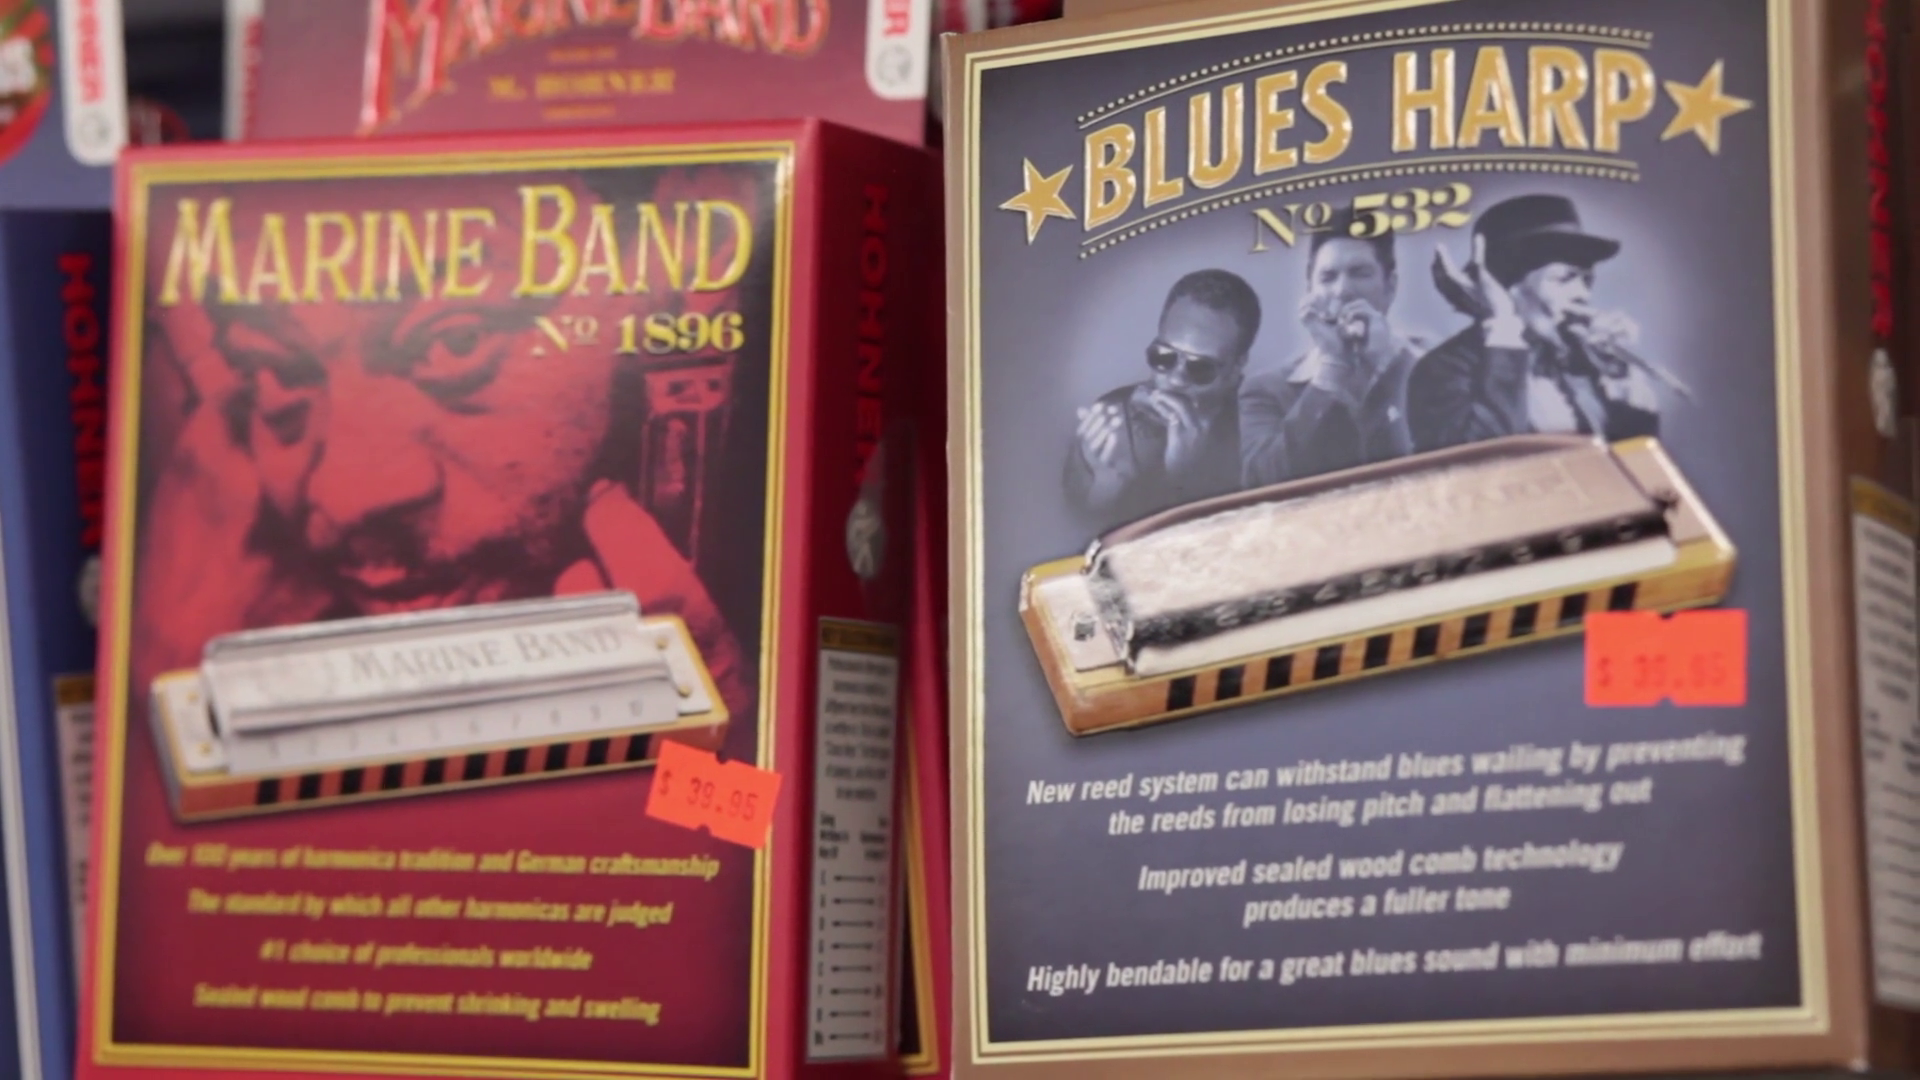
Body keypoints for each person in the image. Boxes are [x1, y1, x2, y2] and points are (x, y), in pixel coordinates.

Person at [129, 170, 755, 722]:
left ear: (691, 253)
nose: (344, 498)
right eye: (281, 371)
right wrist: (174, 683)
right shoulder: (211, 611)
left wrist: (720, 753)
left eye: (457, 342)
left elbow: (757, 807)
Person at [1407, 193, 1661, 452]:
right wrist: (1503, 325)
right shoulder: (1444, 368)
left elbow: (1635, 456)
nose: (1583, 294)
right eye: (1565, 279)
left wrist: (1618, 372)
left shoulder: (1583, 361)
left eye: (1587, 280)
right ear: (1504, 288)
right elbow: (1480, 462)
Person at [1239, 214, 1425, 487]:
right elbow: (1262, 479)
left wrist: (1389, 366)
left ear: (1390, 286)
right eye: (1327, 277)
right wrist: (1332, 366)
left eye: (1360, 274)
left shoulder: (1434, 363)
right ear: (1310, 288)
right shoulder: (1265, 390)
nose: (1342, 291)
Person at [1065, 269, 1261, 526]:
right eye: (1164, 356)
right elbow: (1079, 522)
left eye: (1201, 367)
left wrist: (1187, 476)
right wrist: (1108, 483)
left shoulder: (1263, 426)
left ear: (1236, 366)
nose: (1176, 380)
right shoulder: (1112, 419)